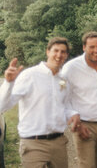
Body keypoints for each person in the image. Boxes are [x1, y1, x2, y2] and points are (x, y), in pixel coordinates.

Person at [0, 37, 80, 168]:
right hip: (33, 144)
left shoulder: (64, 80)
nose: (59, 55)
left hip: (58, 143)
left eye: (63, 52)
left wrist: (73, 113)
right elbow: (3, 106)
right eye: (56, 51)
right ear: (47, 51)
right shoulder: (29, 75)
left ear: (66, 55)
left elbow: (64, 106)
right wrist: (8, 83)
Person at [62, 31, 97, 168]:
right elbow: (63, 97)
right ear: (84, 47)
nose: (96, 50)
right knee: (87, 164)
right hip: (84, 125)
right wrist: (74, 119)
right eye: (91, 47)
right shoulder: (71, 68)